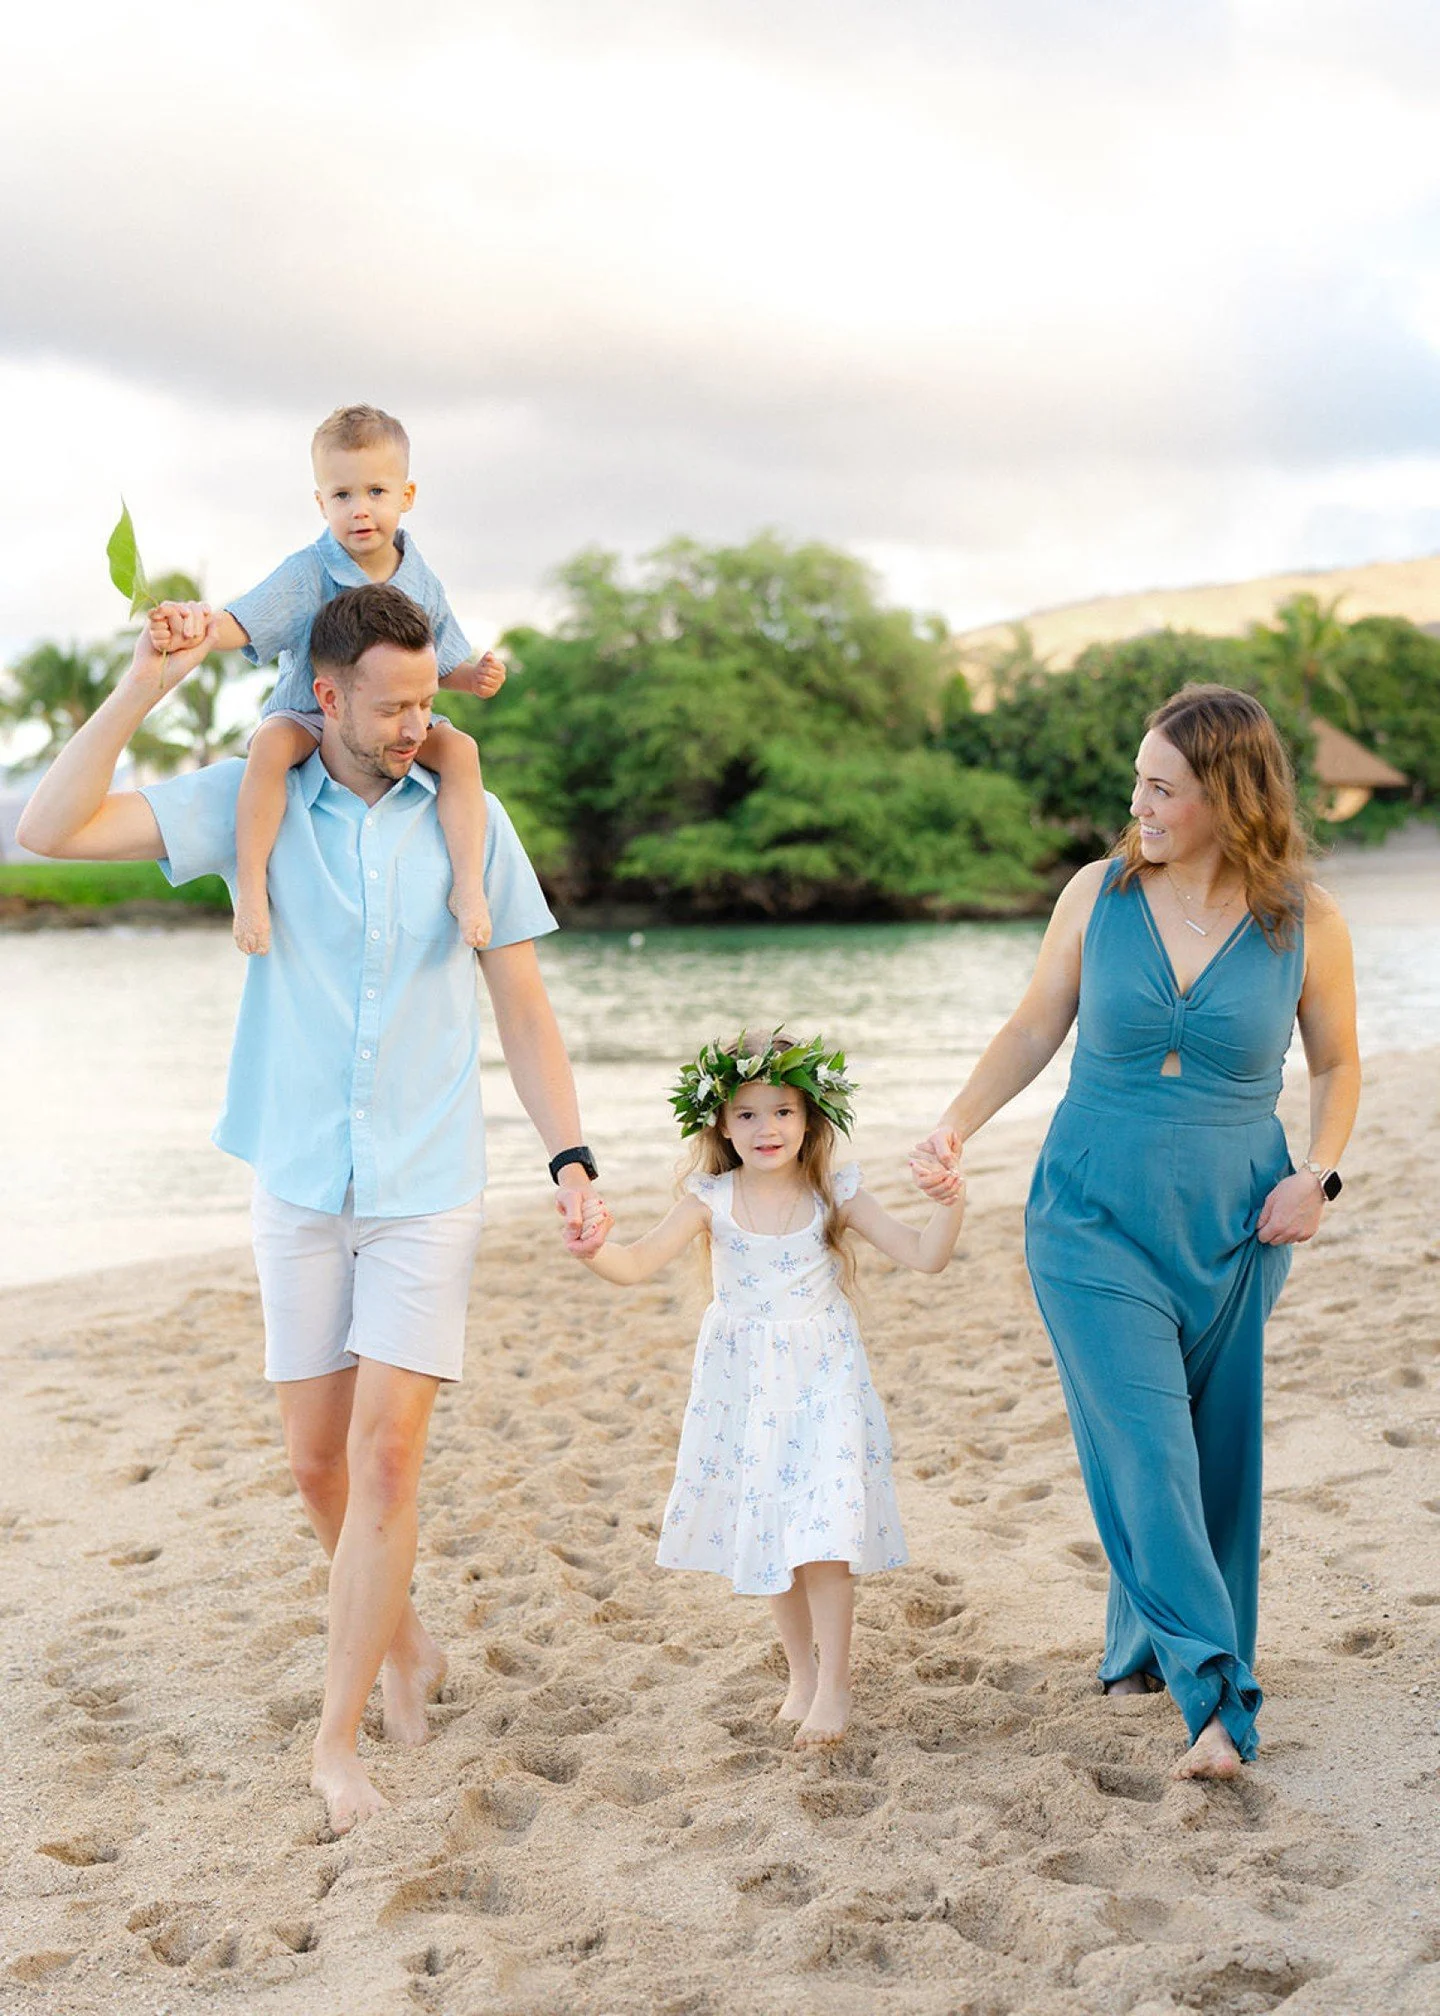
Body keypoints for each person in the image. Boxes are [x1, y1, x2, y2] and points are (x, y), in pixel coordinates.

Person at [18, 583, 606, 1836]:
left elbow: (525, 1005)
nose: (413, 728)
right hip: (296, 1175)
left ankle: (339, 1739)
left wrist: (570, 1155)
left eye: (428, 704)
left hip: (426, 1183)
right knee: (313, 1463)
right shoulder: (255, 804)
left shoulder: (468, 816)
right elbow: (50, 826)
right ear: (324, 697)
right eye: (391, 707)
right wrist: (142, 684)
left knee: (389, 1456)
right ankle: (407, 1637)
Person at [912, 684, 1359, 1780]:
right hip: (1090, 1211)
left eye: (1163, 787)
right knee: (1147, 1444)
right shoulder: (1097, 892)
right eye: (1140, 781)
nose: (1140, 803)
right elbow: (1033, 1026)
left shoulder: (1305, 918)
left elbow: (1340, 1065)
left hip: (1236, 1219)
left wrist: (1321, 1176)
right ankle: (1217, 1697)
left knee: (1211, 1453)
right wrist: (954, 1125)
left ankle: (1137, 1647)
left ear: (1228, 797)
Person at [574, 1031, 968, 1748]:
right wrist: (594, 1245)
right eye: (748, 1114)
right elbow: (632, 1266)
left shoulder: (833, 1194)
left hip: (823, 1381)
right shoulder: (710, 1200)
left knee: (824, 1536)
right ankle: (802, 1676)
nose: (767, 1128)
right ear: (720, 1124)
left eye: (783, 1111)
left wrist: (949, 1201)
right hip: (746, 1386)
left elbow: (926, 1255)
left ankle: (838, 1685)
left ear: (811, 1119)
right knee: (777, 1537)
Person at [147, 403, 505, 957]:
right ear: (321, 503)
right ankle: (250, 888)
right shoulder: (308, 570)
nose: (359, 510)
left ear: (406, 496)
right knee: (269, 746)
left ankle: (468, 887)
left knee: (460, 750)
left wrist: (472, 676)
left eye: (376, 493)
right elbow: (241, 624)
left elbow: (442, 659)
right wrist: (194, 624)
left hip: (396, 721)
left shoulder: (422, 579)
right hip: (308, 716)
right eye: (342, 496)